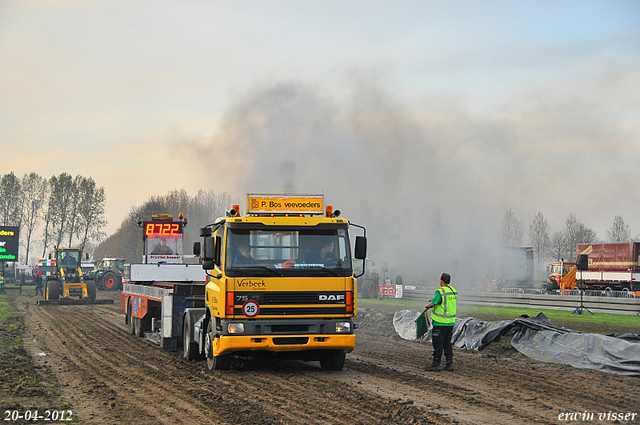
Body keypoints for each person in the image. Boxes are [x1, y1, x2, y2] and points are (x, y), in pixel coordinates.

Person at [424, 272, 457, 372]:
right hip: (450, 323)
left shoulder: (440, 291)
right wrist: (434, 300)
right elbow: (445, 302)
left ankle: (436, 364)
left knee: (438, 344)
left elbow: (433, 304)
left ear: (441, 280)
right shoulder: (453, 290)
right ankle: (449, 363)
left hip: (440, 323)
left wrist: (427, 305)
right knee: (447, 343)